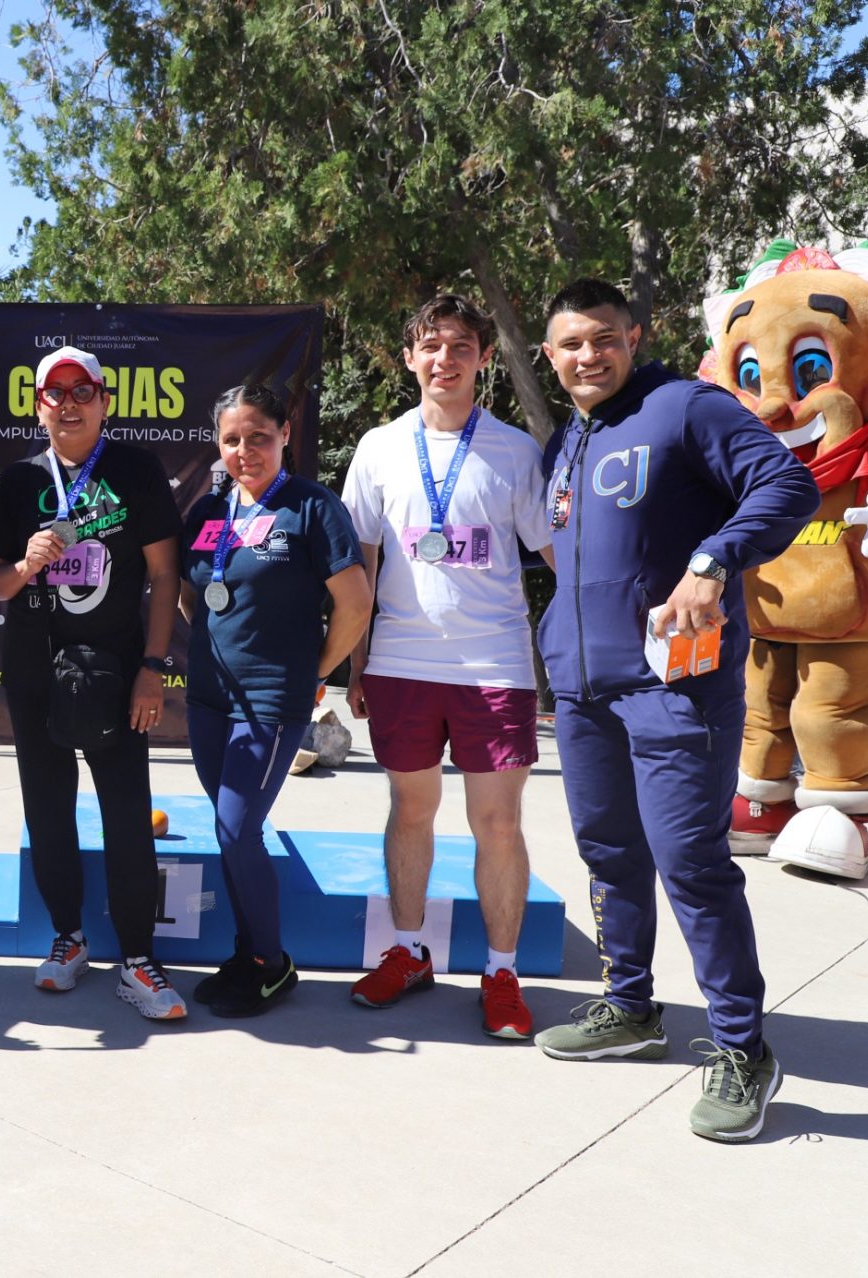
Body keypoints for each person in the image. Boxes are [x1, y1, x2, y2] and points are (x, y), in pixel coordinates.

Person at [535, 277, 817, 1142]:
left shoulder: (688, 408)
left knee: (690, 862)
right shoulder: (566, 441)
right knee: (608, 852)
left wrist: (711, 562)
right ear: (550, 357)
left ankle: (742, 1048)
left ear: (634, 336)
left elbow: (787, 487)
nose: (588, 356)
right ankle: (630, 1007)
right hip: (583, 690)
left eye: (603, 338)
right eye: (571, 344)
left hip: (673, 688)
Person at [340, 295, 556, 1038]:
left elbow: (556, 553)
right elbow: (361, 562)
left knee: (498, 821)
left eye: (461, 345)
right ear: (409, 358)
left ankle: (501, 971)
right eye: (430, 345)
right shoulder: (378, 447)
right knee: (410, 811)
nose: (445, 359)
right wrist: (357, 663)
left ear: (484, 358)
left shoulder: (515, 451)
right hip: (400, 661)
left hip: (493, 663)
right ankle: (408, 952)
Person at [0, 346, 189, 1019]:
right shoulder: (20, 480)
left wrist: (153, 668)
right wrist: (24, 566)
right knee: (48, 809)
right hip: (35, 669)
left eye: (82, 390)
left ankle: (138, 959)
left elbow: (165, 575)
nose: (68, 403)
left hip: (116, 671)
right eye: (54, 392)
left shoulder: (135, 469)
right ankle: (67, 938)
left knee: (127, 815)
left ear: (104, 401)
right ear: (37, 405)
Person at [176, 383, 369, 1016]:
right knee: (229, 832)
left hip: (270, 699)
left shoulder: (312, 506)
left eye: (259, 436)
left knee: (238, 828)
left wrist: (315, 670)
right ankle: (245, 953)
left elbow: (355, 603)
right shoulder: (210, 510)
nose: (245, 450)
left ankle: (271, 963)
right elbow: (190, 593)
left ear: (285, 434)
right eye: (231, 439)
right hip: (209, 696)